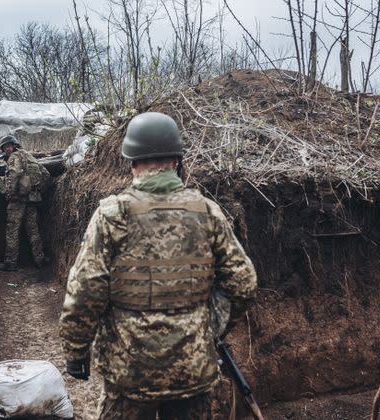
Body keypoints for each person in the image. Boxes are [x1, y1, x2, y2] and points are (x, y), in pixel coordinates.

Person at [58, 112, 258, 419]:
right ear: (177, 161)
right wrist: (210, 327)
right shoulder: (207, 212)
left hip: (130, 372)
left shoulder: (113, 214)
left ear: (132, 163)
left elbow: (86, 289)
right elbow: (243, 283)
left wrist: (76, 351)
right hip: (192, 370)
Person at [0, 135, 47, 271]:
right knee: (33, 230)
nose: (7, 149)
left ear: (14, 145)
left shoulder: (14, 157)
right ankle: (40, 259)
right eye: (5, 147)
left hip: (17, 201)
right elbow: (45, 174)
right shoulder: (29, 156)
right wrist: (38, 190)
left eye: (9, 146)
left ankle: (10, 263)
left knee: (12, 230)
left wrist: (9, 194)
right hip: (32, 199)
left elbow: (14, 175)